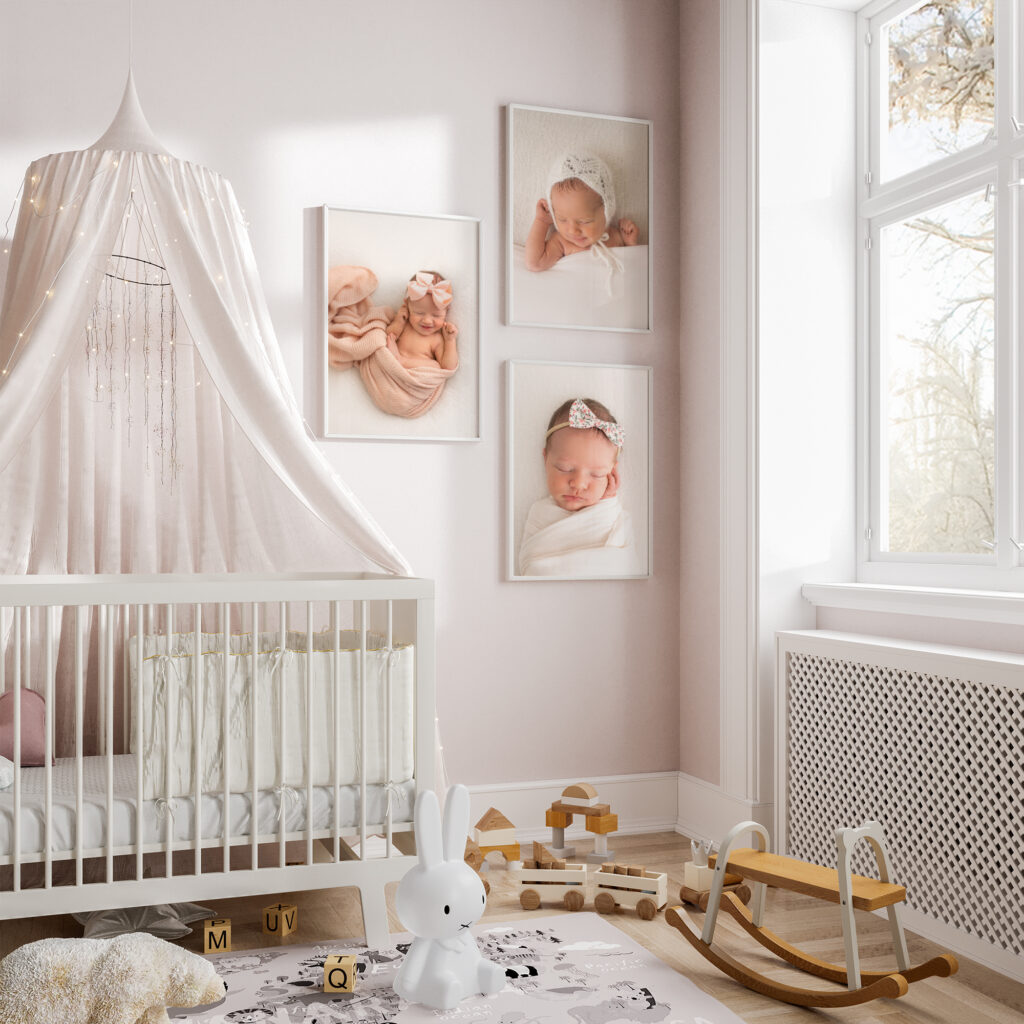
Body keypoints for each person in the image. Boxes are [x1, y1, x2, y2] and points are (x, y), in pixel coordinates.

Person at [518, 397, 641, 577]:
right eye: (564, 469)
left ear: (612, 473)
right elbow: (532, 564)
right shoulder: (539, 513)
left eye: (597, 474)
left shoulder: (609, 514)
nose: (578, 483)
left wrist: (608, 502)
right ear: (545, 459)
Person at [524, 153, 639, 273]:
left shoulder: (616, 237)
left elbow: (635, 270)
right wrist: (542, 222)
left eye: (585, 221)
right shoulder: (562, 242)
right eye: (562, 219)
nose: (573, 230)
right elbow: (534, 263)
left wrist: (631, 244)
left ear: (606, 211)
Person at [385, 271, 459, 372]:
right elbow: (389, 337)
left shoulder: (437, 339)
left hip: (417, 375)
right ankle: (398, 361)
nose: (427, 321)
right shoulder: (406, 324)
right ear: (407, 306)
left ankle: (401, 361)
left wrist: (450, 340)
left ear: (447, 310)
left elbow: (448, 367)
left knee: (435, 366)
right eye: (419, 313)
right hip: (393, 371)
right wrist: (399, 321)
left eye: (436, 315)